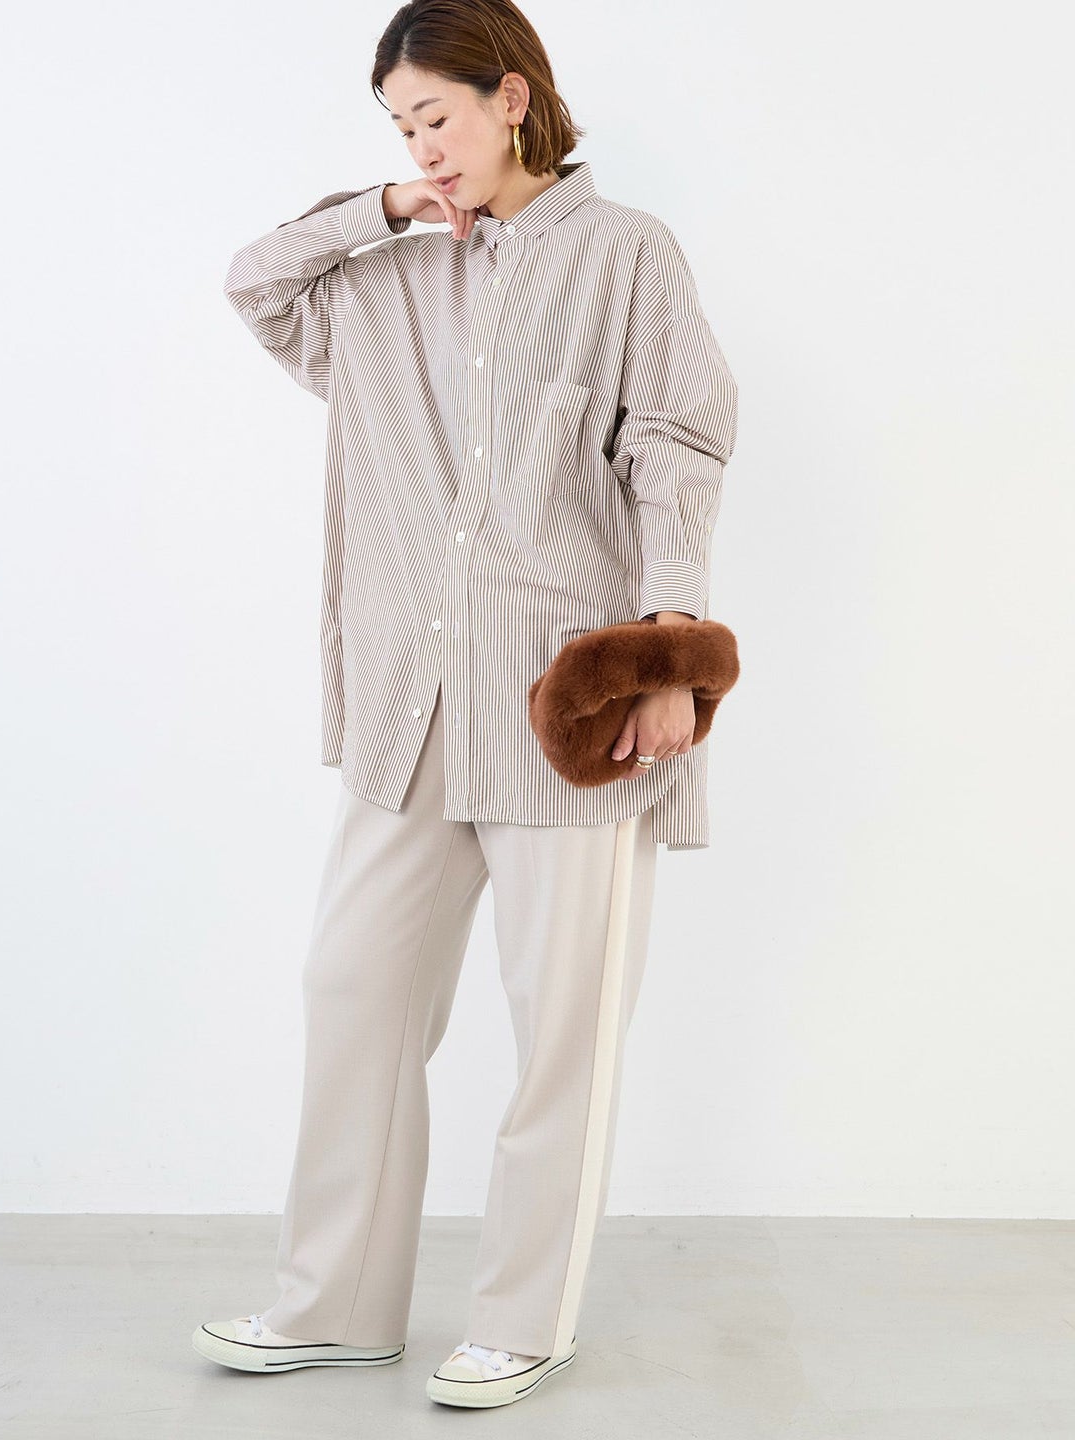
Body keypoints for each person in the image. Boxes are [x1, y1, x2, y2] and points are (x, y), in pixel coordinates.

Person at [193, 0, 738, 1411]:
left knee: (562, 1031)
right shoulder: (382, 277)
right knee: (354, 991)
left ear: (512, 98)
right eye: (398, 129)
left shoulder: (625, 255)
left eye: (433, 117)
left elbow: (675, 448)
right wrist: (378, 209)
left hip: (566, 704)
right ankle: (335, 1304)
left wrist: (670, 654)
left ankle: (523, 1318)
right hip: (413, 703)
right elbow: (254, 283)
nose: (420, 149)